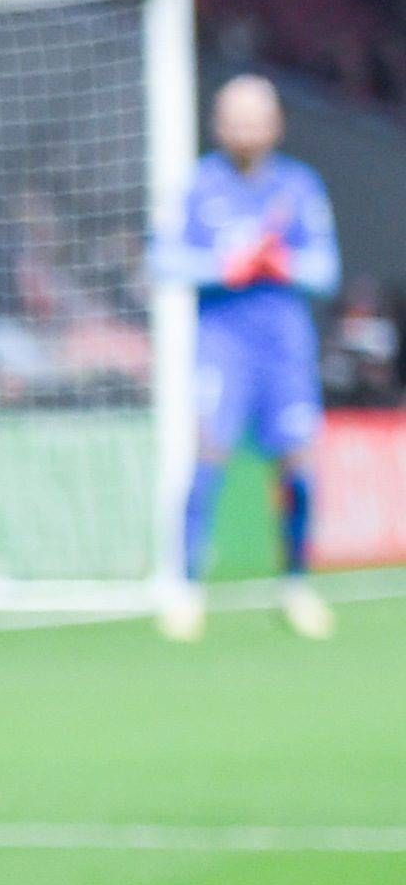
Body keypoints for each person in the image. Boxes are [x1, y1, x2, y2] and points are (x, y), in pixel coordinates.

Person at [155, 72, 343, 642]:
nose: (246, 130)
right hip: (222, 342)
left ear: (275, 124)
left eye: (255, 119)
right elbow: (162, 261)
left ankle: (296, 585)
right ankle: (186, 588)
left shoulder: (299, 186)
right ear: (218, 124)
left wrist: (282, 265)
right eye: (235, 119)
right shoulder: (196, 185)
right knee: (207, 456)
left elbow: (327, 270)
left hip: (284, 345)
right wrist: (227, 267)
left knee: (299, 468)